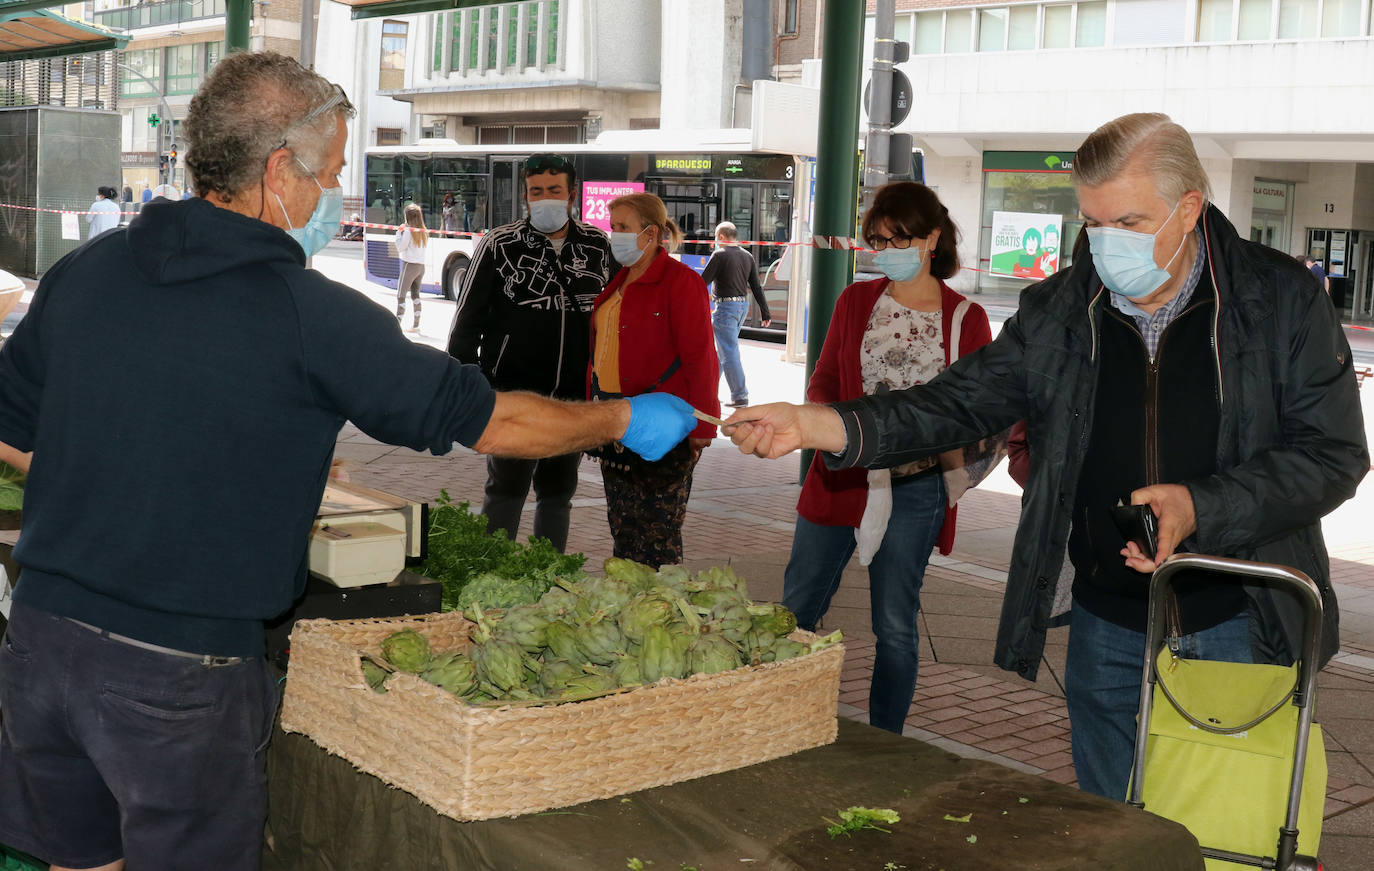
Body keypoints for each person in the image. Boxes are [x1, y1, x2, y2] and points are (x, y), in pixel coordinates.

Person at [0, 52, 696, 871]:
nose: (332, 197)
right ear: (276, 170)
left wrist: (149, 464)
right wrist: (621, 415)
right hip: (178, 677)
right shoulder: (309, 313)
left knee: (81, 862)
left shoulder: (89, 269)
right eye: (329, 174)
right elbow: (494, 419)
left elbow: (16, 429)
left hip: (40, 642)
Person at [724, 112, 1367, 800]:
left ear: (1187, 210)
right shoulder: (1062, 308)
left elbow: (1332, 453)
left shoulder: (1279, 300)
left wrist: (1200, 507)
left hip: (1236, 619)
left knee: (1219, 829)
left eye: (1126, 221)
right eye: (1091, 223)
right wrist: (818, 423)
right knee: (1113, 829)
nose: (1105, 243)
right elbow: (955, 403)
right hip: (1105, 622)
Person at [783, 182, 989, 734]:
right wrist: (830, 427)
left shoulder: (966, 318)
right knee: (794, 612)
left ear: (932, 239)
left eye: (899, 238)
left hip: (917, 488)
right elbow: (825, 379)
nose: (887, 250)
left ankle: (885, 740)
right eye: (878, 240)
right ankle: (779, 720)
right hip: (841, 474)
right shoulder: (855, 301)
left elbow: (977, 414)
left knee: (895, 626)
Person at [447, 153, 618, 553]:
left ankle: (547, 573)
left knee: (558, 493)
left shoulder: (597, 246)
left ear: (571, 194)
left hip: (574, 400)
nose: (544, 199)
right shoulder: (498, 244)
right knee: (505, 491)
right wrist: (471, 389)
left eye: (554, 191)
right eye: (536, 191)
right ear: (525, 196)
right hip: (512, 398)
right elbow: (465, 324)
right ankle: (492, 572)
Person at [590, 192, 721, 566]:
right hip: (616, 421)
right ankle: (629, 607)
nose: (614, 235)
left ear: (651, 234)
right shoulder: (617, 282)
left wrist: (704, 427)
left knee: (657, 535)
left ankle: (660, 611)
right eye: (612, 227)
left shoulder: (681, 283)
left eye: (623, 228)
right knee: (624, 529)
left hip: (662, 423)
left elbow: (702, 359)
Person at [700, 221, 770, 407]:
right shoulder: (747, 256)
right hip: (741, 308)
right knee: (722, 352)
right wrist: (765, 312)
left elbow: (701, 282)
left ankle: (740, 396)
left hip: (725, 309)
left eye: (716, 238)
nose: (715, 241)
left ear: (721, 237)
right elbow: (756, 286)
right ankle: (708, 392)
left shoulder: (719, 255)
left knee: (728, 352)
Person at [394, 202, 427, 331]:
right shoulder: (423, 230)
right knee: (415, 295)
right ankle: (416, 324)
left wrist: (399, 232)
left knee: (401, 295)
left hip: (409, 265)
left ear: (408, 217)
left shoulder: (408, 231)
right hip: (420, 266)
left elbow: (400, 247)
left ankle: (397, 324)